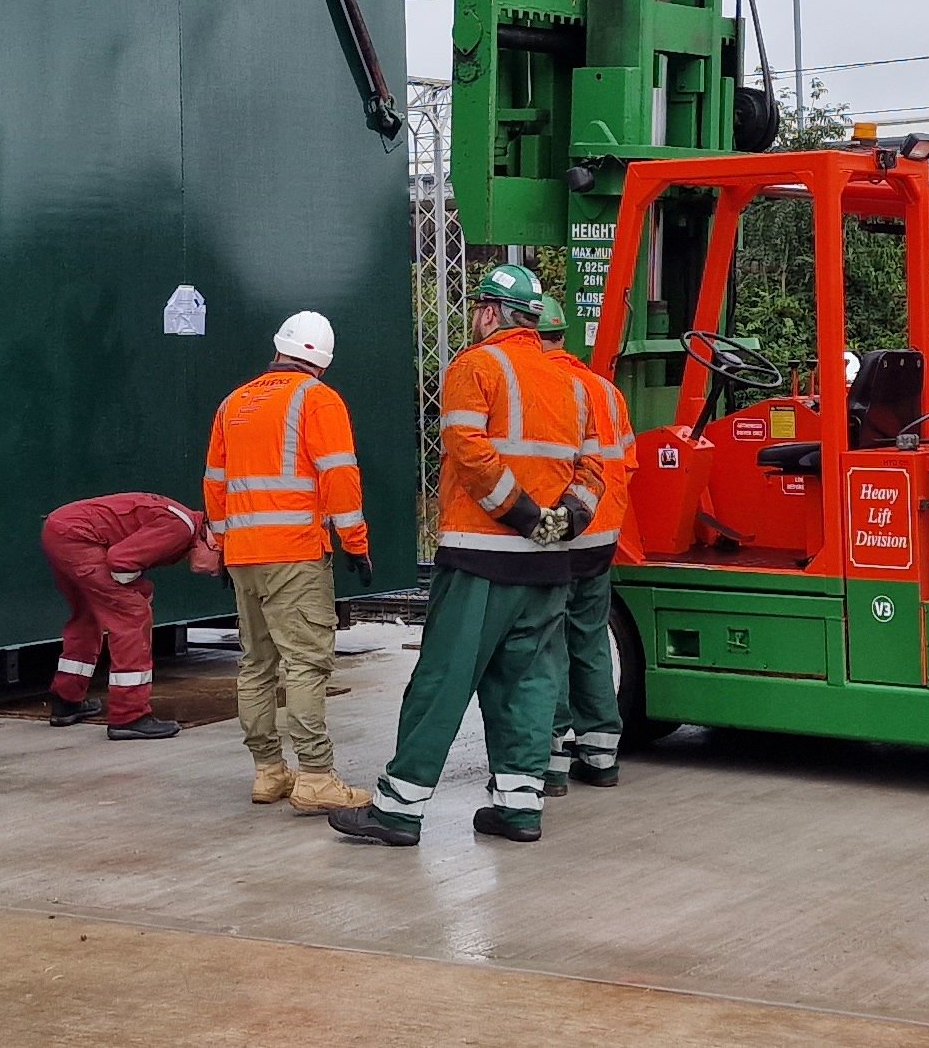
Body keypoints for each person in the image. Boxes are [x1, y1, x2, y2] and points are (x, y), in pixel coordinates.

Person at [328, 263, 589, 848]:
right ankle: (519, 808)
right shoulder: (574, 383)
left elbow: (469, 452)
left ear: (492, 313)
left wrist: (521, 514)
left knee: (442, 680)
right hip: (549, 565)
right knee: (528, 683)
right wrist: (561, 519)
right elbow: (593, 468)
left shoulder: (475, 366)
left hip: (481, 559)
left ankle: (398, 808)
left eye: (479, 308)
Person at [202, 311, 379, 814]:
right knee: (305, 663)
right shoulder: (317, 399)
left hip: (244, 557)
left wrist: (220, 545)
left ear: (280, 348)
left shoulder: (233, 402)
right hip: (295, 554)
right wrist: (355, 542)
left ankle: (268, 772)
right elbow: (339, 476)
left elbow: (214, 483)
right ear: (321, 360)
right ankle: (317, 777)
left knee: (257, 665)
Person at [536, 304, 632, 793]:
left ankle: (550, 757)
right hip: (603, 536)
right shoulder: (608, 392)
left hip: (556, 536)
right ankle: (600, 753)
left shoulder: (542, 390)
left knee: (546, 642)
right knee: (591, 637)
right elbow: (626, 462)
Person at [38, 492, 205, 738]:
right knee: (132, 615)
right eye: (221, 561)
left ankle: (66, 700)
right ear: (212, 539)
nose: (216, 572)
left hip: (60, 530)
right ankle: (130, 715)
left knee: (88, 615)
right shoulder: (182, 528)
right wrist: (142, 590)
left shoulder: (180, 521)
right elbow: (121, 561)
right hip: (79, 537)